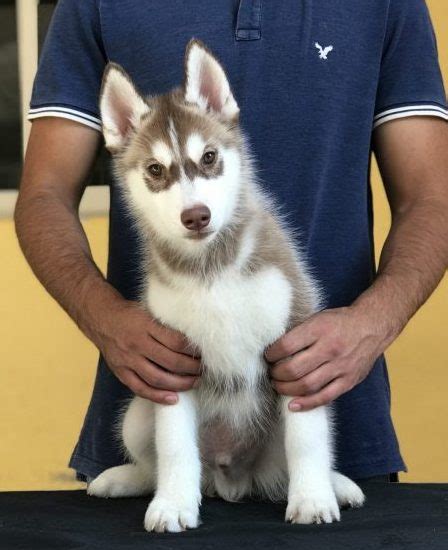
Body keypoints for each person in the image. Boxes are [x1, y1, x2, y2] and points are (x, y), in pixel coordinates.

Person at [15, 0, 448, 484]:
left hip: (328, 430)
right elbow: (44, 195)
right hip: (159, 437)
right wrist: (103, 316)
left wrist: (374, 322)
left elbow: (430, 200)